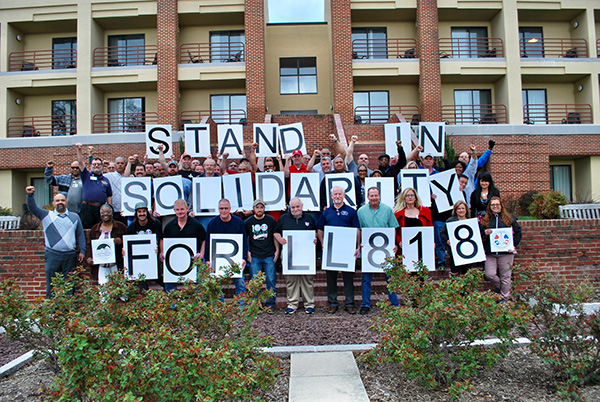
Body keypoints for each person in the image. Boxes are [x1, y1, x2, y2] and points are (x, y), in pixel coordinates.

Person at [25, 186, 85, 298]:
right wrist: (30, 196)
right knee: (51, 286)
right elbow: (33, 208)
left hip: (70, 255)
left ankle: (68, 312)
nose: (60, 202)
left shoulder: (75, 217)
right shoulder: (46, 215)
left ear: (66, 202)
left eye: (62, 200)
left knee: (69, 285)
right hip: (53, 254)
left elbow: (80, 235)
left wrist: (82, 250)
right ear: (53, 203)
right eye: (57, 200)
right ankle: (51, 312)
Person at [317, 186, 361, 315]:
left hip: (347, 250)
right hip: (331, 250)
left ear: (344, 196)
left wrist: (358, 246)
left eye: (340, 194)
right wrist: (322, 242)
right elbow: (320, 230)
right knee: (331, 278)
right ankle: (333, 303)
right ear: (331, 196)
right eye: (335, 194)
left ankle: (349, 303)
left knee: (348, 278)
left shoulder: (351, 211)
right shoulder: (326, 212)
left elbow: (357, 230)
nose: (337, 196)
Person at [357, 187, 399, 314]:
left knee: (390, 278)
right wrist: (359, 244)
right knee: (366, 279)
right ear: (367, 197)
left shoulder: (387, 209)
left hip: (386, 248)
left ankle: (394, 304)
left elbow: (393, 227)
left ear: (379, 196)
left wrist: (394, 243)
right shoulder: (361, 211)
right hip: (368, 248)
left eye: (376, 195)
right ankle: (365, 304)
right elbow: (359, 229)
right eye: (371, 195)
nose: (374, 198)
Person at [274, 198, 317, 315]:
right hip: (289, 254)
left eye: (297, 206)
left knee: (307, 280)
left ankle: (309, 304)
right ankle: (292, 304)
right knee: (291, 280)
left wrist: (315, 239)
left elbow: (316, 232)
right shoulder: (284, 218)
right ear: (289, 208)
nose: (295, 209)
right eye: (293, 207)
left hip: (306, 254)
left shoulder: (310, 218)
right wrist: (280, 239)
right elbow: (276, 232)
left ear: (302, 206)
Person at [205, 199, 248, 296]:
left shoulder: (238, 222)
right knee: (216, 285)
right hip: (217, 259)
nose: (224, 211)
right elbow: (208, 241)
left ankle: (241, 309)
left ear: (230, 209)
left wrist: (244, 258)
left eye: (226, 208)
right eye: (221, 208)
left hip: (235, 259)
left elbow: (244, 241)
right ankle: (218, 309)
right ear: (218, 209)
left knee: (240, 283)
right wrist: (208, 260)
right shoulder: (212, 223)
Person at [162, 199, 206, 292]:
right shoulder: (169, 226)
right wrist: (162, 252)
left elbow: (204, 239)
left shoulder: (196, 224)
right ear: (174, 210)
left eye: (182, 209)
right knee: (169, 282)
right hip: (174, 258)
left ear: (187, 209)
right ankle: (172, 304)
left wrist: (201, 253)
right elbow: (162, 239)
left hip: (192, 258)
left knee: (199, 281)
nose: (180, 212)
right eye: (177, 210)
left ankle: (198, 303)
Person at [481, 196, 521, 301]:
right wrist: (485, 233)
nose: (495, 207)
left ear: (501, 206)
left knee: (505, 277)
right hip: (490, 253)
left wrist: (513, 245)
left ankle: (504, 297)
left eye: (497, 205)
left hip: (506, 253)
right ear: (490, 207)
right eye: (493, 205)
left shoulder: (509, 219)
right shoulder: (486, 220)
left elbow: (518, 232)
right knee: (489, 274)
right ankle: (502, 288)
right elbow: (480, 235)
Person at [244, 199, 280, 312]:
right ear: (253, 209)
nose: (259, 209)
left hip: (269, 254)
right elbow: (245, 239)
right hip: (255, 255)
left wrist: (277, 251)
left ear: (264, 208)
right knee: (255, 281)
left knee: (270, 280)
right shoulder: (248, 222)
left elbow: (275, 236)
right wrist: (247, 252)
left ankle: (270, 304)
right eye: (257, 207)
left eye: (261, 207)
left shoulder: (271, 220)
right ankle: (257, 304)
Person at [86, 204, 128, 285]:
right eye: (103, 212)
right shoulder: (95, 229)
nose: (105, 214)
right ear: (100, 214)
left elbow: (128, 242)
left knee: (121, 289)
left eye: (108, 212)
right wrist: (89, 257)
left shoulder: (121, 227)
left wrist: (121, 241)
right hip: (102, 265)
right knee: (103, 290)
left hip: (117, 264)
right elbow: (89, 245)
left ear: (112, 214)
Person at [75, 143, 113, 229]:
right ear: (91, 166)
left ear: (102, 166)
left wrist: (110, 208)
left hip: (101, 209)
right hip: (87, 208)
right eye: (94, 164)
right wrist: (79, 149)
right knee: (87, 230)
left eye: (98, 164)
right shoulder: (86, 175)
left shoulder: (105, 180)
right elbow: (80, 162)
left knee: (100, 229)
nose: (96, 166)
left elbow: (109, 196)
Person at [394, 187, 433, 259]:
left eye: (412, 195)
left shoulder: (425, 211)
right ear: (404, 198)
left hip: (422, 245)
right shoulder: (398, 214)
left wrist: (431, 242)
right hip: (405, 246)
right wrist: (399, 241)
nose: (410, 197)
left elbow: (430, 228)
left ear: (415, 197)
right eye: (407, 195)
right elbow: (396, 231)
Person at [440, 200, 474, 275]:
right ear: (455, 210)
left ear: (466, 210)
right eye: (459, 208)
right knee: (455, 272)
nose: (461, 210)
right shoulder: (450, 221)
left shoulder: (471, 221)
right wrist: (447, 241)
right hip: (455, 251)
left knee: (467, 273)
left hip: (468, 251)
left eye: (463, 208)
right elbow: (442, 233)